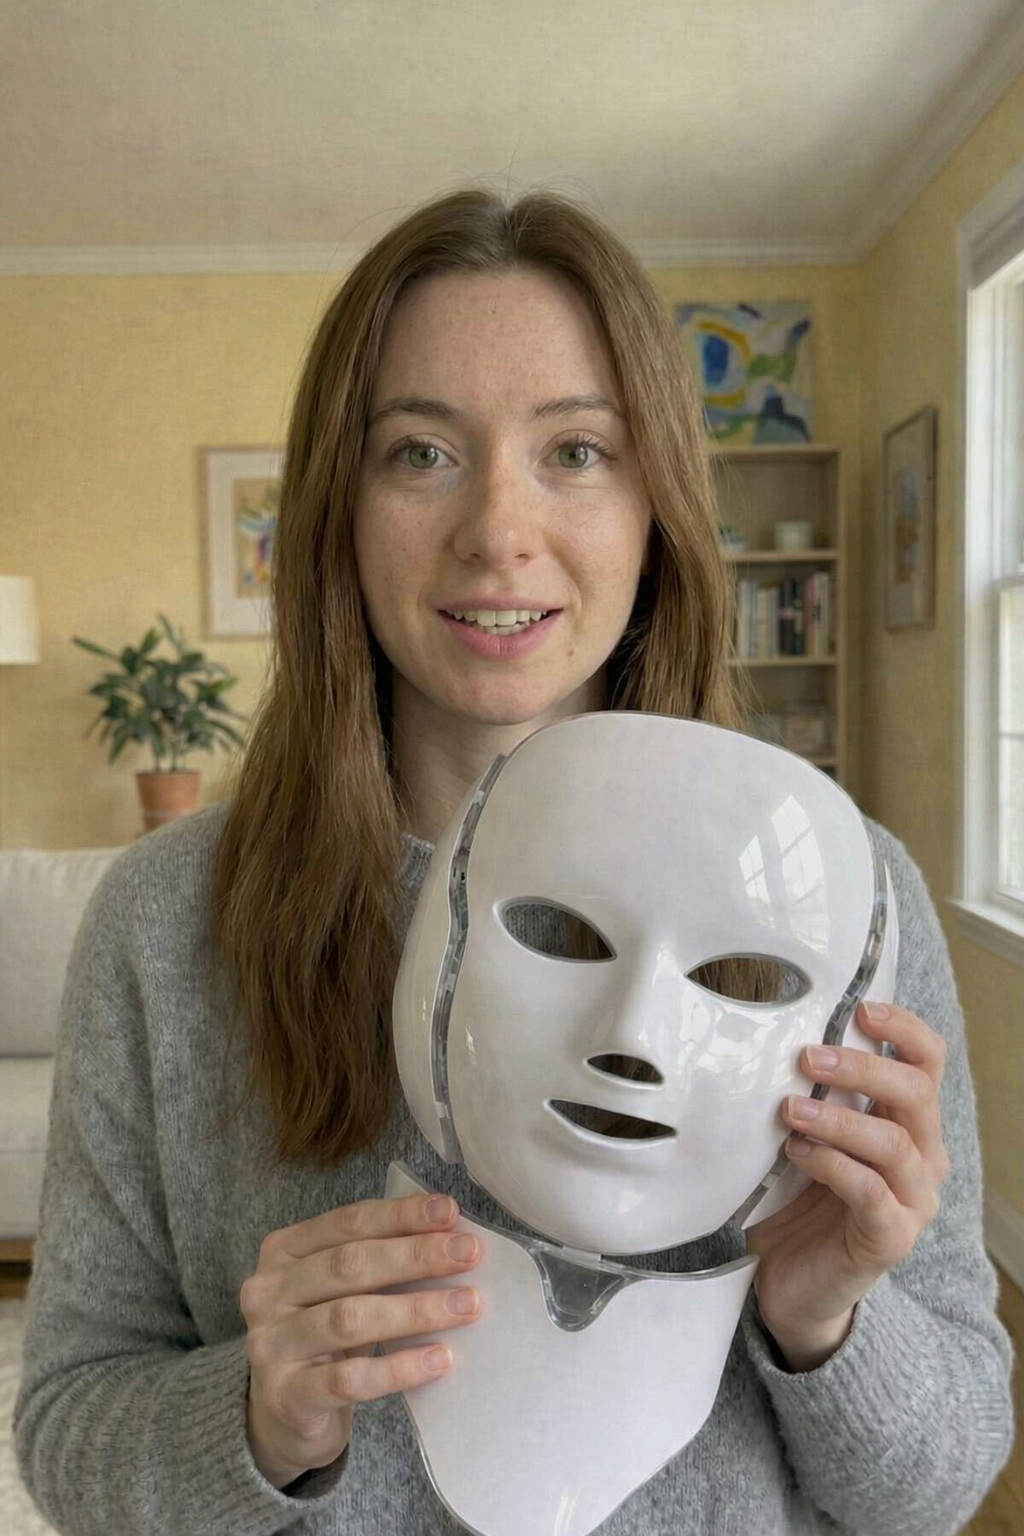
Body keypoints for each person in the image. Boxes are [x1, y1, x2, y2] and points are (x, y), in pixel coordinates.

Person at [13, 186, 1014, 1536]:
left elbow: (940, 1487)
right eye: (420, 452)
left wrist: (826, 1318)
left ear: (657, 502)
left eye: (577, 451)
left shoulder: (850, 911)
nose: (496, 528)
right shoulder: (166, 922)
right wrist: (257, 1412)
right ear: (339, 504)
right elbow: (69, 1430)